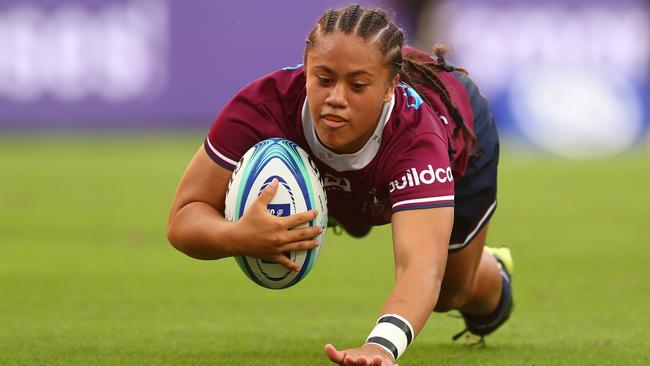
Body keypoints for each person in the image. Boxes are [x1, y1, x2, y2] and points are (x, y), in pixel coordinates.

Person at [167, 4, 513, 365]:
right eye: (324, 78)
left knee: (448, 293)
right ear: (305, 69)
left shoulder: (417, 138)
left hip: (462, 141)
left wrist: (380, 347)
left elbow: (420, 269)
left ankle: (493, 272)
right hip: (350, 183)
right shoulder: (262, 107)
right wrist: (236, 236)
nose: (336, 98)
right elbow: (183, 217)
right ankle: (352, 207)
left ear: (390, 87)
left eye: (358, 85)